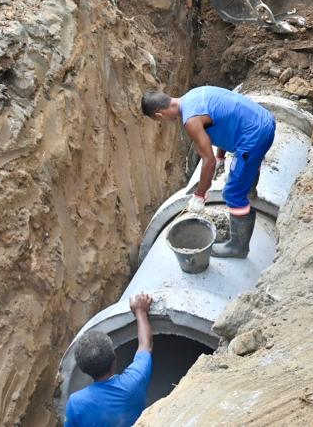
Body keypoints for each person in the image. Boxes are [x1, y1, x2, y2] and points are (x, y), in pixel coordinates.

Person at [141, 86, 275, 258]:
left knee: (232, 193)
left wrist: (199, 196)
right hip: (263, 120)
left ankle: (238, 247)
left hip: (254, 136)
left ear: (159, 115)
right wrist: (220, 157)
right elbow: (224, 122)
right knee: (243, 170)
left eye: (158, 120)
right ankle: (248, 189)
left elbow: (208, 162)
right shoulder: (194, 95)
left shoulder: (191, 121)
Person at [65, 293, 154, 427]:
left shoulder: (76, 403)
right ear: (115, 357)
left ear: (83, 370)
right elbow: (146, 344)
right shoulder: (135, 380)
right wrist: (140, 312)